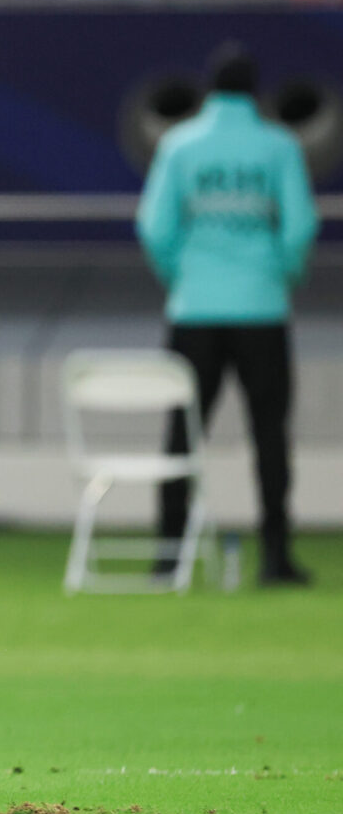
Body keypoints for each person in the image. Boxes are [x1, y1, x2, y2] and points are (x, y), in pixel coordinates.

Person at [136, 42, 319, 586]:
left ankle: (169, 557)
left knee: (181, 436)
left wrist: (181, 274)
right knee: (270, 437)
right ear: (254, 91)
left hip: (194, 309)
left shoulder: (180, 144)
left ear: (209, 89)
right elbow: (300, 226)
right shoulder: (278, 146)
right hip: (262, 308)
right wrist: (278, 272)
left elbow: (155, 226)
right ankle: (275, 558)